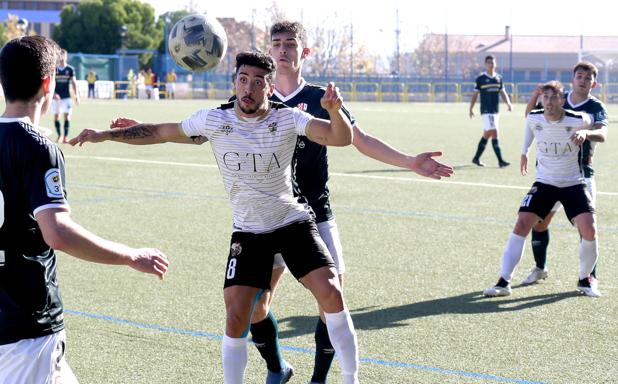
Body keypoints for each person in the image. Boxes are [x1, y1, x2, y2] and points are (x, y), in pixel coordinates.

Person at [70, 51, 361, 384]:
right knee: (238, 314)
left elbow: (341, 138)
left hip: (292, 223)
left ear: (268, 86)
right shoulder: (214, 120)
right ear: (234, 82)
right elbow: (162, 131)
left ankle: (350, 378)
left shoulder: (287, 118)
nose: (249, 88)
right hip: (249, 232)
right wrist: (105, 134)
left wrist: (335, 112)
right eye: (242, 80)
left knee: (332, 293)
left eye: (257, 82)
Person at [238, 20, 454, 384]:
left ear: (304, 52)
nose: (283, 50)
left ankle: (319, 379)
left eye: (290, 44)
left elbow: (361, 139)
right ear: (268, 52)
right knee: (256, 307)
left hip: (315, 215)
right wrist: (142, 129)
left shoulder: (323, 99)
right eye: (276, 44)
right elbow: (203, 128)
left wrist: (409, 161)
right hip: (268, 217)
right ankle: (277, 368)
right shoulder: (256, 96)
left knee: (332, 295)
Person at [0, 36, 169, 384]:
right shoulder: (36, 147)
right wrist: (129, 255)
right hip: (26, 327)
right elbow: (57, 232)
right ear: (49, 84)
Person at [483, 81, 601, 298]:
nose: (548, 102)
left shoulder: (578, 119)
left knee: (590, 229)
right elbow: (530, 125)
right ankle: (503, 282)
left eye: (553, 97)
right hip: (545, 183)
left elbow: (598, 127)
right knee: (521, 223)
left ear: (562, 99)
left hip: (573, 183)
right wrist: (524, 152)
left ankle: (585, 280)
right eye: (545, 98)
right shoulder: (535, 116)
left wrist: (586, 134)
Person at [521, 62, 608, 287]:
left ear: (593, 84)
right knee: (539, 223)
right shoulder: (558, 98)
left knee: (587, 227)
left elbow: (603, 133)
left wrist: (587, 133)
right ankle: (540, 268)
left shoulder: (596, 106)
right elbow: (532, 118)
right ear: (572, 79)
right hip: (550, 175)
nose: (582, 80)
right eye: (579, 76)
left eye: (587, 78)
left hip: (580, 175)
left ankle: (589, 277)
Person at [468, 55, 512, 167]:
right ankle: (501, 161)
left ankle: (476, 158)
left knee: (487, 134)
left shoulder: (499, 78)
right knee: (495, 132)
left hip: (495, 111)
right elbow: (475, 95)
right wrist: (471, 108)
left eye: (492, 62)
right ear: (485, 64)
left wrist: (508, 103)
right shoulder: (481, 79)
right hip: (486, 111)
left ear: (495, 64)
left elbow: (503, 92)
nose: (490, 64)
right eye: (488, 62)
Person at [52, 48, 79, 143]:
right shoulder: (54, 69)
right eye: (61, 55)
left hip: (66, 97)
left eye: (64, 55)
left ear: (66, 57)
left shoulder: (70, 69)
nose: (62, 57)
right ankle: (59, 135)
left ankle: (65, 137)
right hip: (56, 98)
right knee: (56, 117)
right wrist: (54, 93)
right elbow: (51, 83)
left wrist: (76, 96)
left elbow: (74, 82)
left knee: (67, 116)